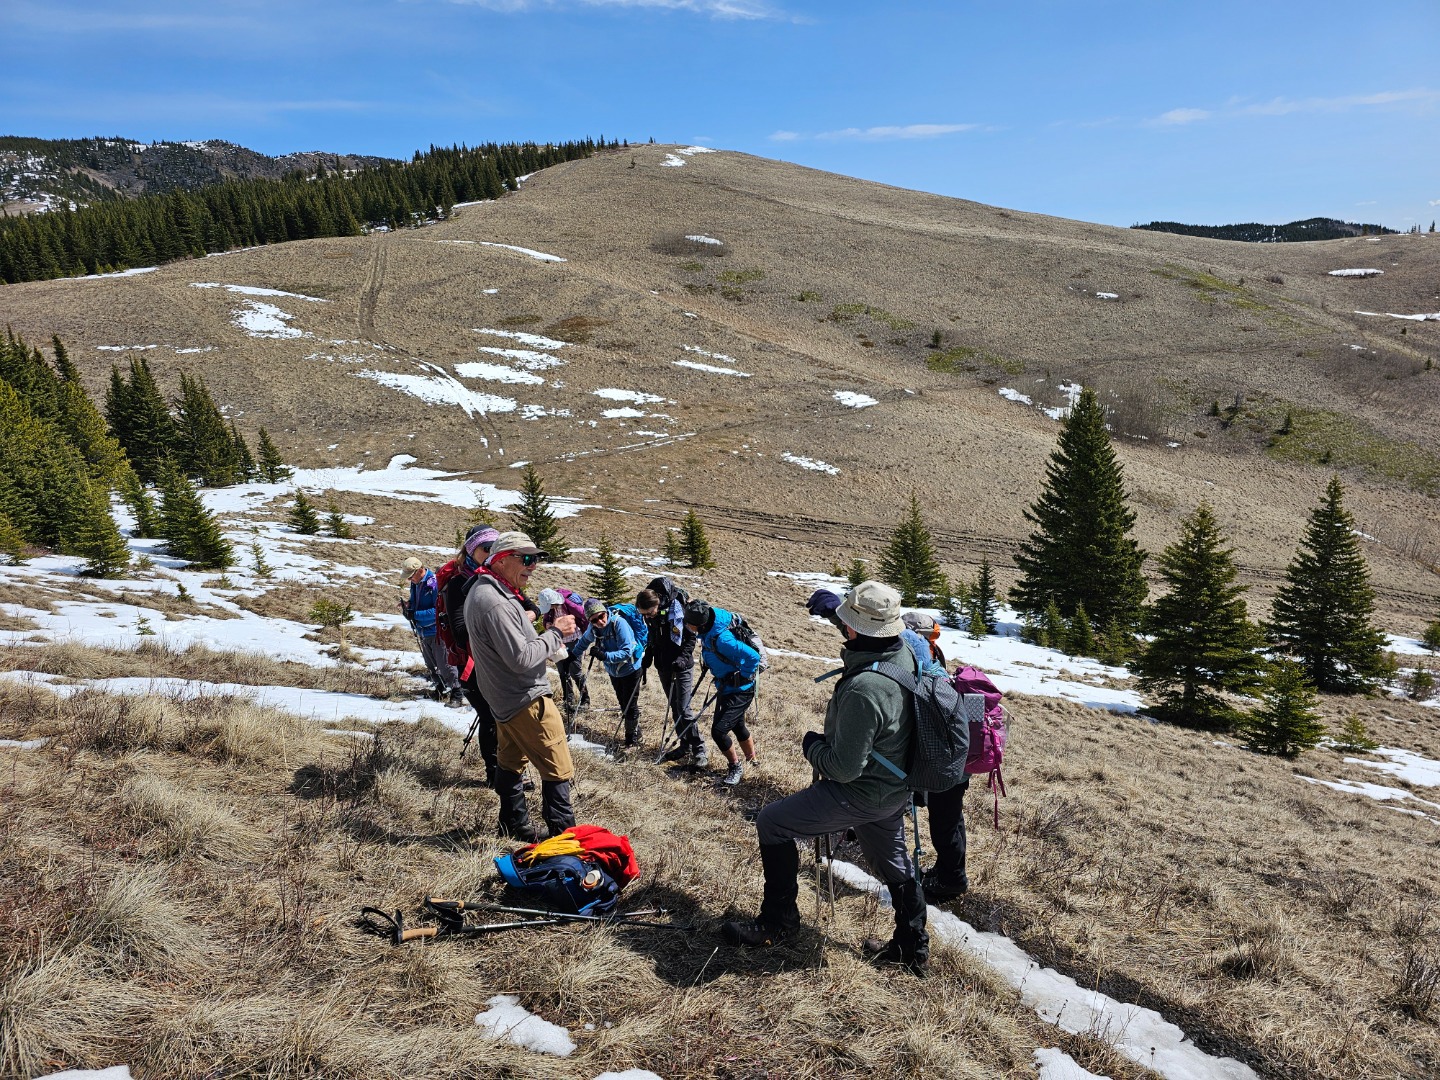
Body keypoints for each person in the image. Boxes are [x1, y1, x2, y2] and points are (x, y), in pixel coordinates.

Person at [722, 581, 928, 975]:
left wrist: (812, 746)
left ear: (855, 629)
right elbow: (864, 637)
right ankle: (912, 948)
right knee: (897, 866)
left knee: (772, 822)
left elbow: (844, 768)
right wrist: (839, 613)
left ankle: (777, 924)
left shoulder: (865, 690)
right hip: (895, 789)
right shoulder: (902, 652)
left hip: (858, 792)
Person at [808, 587, 967, 900]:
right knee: (946, 817)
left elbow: (864, 631)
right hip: (942, 750)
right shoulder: (929, 655)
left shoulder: (911, 648)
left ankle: (950, 880)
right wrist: (835, 613)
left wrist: (834, 611)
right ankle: (945, 875)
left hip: (937, 754)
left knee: (945, 819)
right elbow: (864, 630)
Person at [463, 531, 577, 841]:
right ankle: (563, 840)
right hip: (526, 699)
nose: (533, 565)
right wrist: (555, 632)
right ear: (500, 560)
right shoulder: (495, 601)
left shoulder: (488, 591)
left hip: (503, 698)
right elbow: (522, 658)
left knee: (510, 762)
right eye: (526, 559)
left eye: (536, 559)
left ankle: (513, 824)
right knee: (558, 768)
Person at [437, 526, 501, 785]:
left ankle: (507, 773)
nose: (490, 554)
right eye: (486, 548)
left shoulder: (497, 578)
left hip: (496, 662)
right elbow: (460, 630)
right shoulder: (457, 584)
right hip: (471, 666)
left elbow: (528, 606)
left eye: (496, 549)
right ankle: (494, 773)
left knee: (503, 719)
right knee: (491, 718)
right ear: (472, 550)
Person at [683, 599, 761, 786]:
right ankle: (753, 761)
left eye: (689, 623)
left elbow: (753, 657)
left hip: (739, 690)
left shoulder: (723, 639)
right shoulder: (710, 627)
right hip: (727, 686)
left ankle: (735, 766)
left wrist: (742, 676)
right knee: (737, 725)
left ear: (700, 625)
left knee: (718, 732)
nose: (686, 626)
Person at [640, 578, 706, 768]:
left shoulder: (679, 612)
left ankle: (699, 748)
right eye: (644, 614)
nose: (648, 617)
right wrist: (649, 655)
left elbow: (690, 639)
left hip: (682, 666)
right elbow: (653, 637)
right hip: (663, 666)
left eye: (649, 613)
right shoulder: (653, 617)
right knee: (675, 707)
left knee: (684, 708)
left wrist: (682, 659)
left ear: (658, 603)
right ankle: (683, 744)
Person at [570, 597, 645, 747]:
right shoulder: (594, 629)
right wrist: (572, 656)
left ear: (605, 612)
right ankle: (636, 730)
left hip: (631, 669)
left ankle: (632, 739)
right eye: (594, 620)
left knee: (629, 705)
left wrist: (605, 656)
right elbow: (584, 641)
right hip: (614, 671)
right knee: (623, 702)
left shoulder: (619, 623)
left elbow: (626, 651)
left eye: (601, 616)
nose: (600, 622)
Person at [401, 556, 463, 706]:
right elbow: (415, 602)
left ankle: (457, 693)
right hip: (423, 631)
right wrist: (408, 607)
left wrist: (415, 615)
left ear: (419, 570)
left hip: (437, 632)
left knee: (445, 665)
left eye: (410, 576)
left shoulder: (433, 584)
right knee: (431, 664)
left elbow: (438, 610)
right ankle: (440, 688)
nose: (409, 580)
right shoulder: (416, 584)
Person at [536, 586, 591, 717]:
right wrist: (548, 625)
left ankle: (585, 700)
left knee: (575, 672)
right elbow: (546, 620)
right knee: (562, 671)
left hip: (574, 640)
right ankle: (568, 700)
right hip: (558, 641)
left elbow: (584, 615)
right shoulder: (550, 609)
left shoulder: (568, 604)